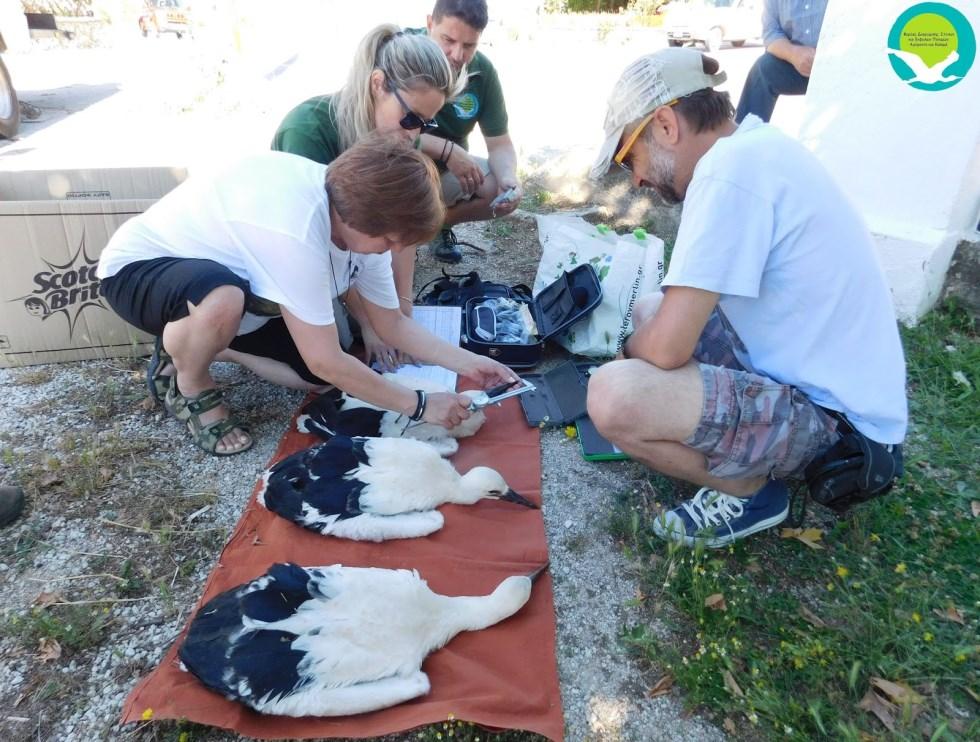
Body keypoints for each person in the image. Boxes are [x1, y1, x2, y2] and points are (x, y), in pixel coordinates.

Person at [587, 48, 907, 547]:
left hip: (838, 433)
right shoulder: (755, 147)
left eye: (633, 156)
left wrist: (628, 355)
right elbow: (675, 317)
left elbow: (668, 348)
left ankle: (752, 490)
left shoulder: (726, 173)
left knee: (613, 396)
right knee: (650, 310)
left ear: (667, 125)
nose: (638, 178)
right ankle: (747, 457)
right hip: (828, 392)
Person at [97, 132, 517, 457]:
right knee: (224, 301)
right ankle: (190, 383)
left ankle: (211, 347)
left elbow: (391, 323)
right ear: (360, 220)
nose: (391, 252)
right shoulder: (296, 231)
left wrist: (472, 363)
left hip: (236, 285)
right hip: (140, 271)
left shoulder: (360, 217)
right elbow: (326, 356)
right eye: (389, 241)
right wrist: (421, 405)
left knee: (313, 379)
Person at [273, 24, 463, 371]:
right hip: (294, 256)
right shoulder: (309, 132)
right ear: (378, 84)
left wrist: (402, 313)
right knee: (337, 352)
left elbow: (402, 229)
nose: (414, 133)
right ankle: (226, 346)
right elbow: (323, 245)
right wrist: (371, 324)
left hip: (343, 258)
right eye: (410, 118)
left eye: (426, 124)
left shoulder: (397, 137)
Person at [410, 0, 523, 263]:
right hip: (398, 169)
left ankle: (433, 227)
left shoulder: (482, 71)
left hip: (445, 176)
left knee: (497, 188)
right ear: (430, 24)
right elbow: (381, 133)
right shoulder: (401, 52)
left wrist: (509, 176)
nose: (457, 55)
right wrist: (448, 151)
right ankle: (401, 232)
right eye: (448, 39)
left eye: (469, 45)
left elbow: (499, 144)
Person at [734, 0, 828, 123]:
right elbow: (771, 33)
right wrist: (794, 54)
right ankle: (746, 136)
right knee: (763, 69)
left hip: (842, 63)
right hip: (798, 66)